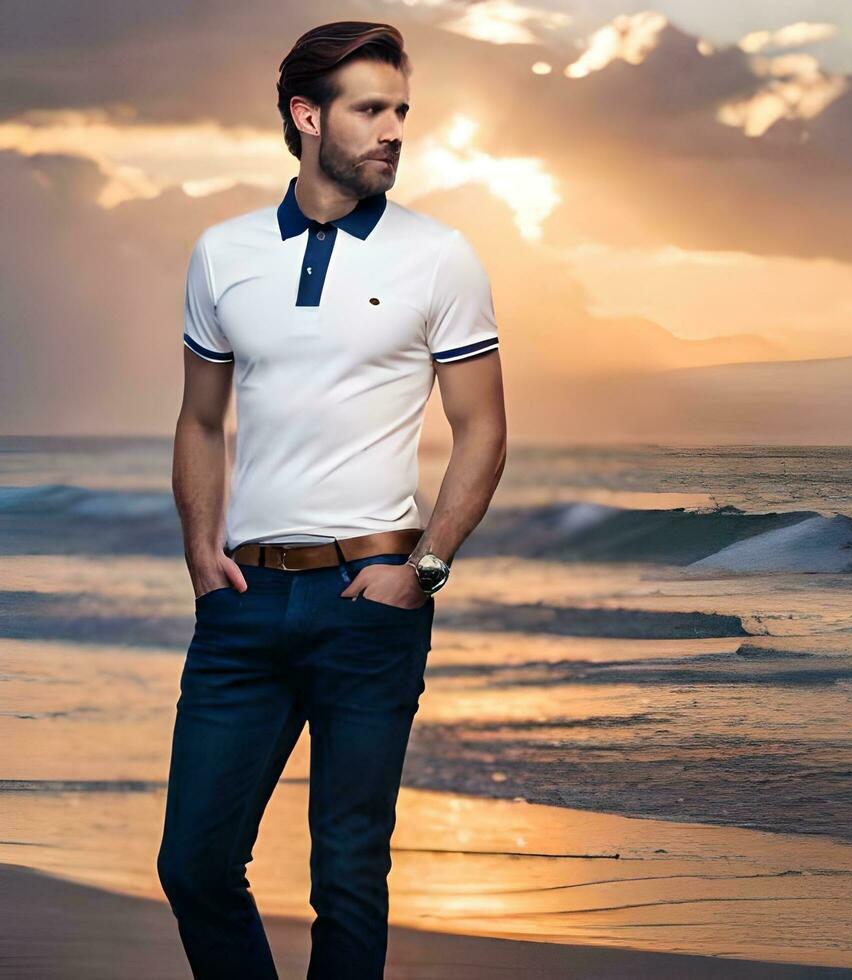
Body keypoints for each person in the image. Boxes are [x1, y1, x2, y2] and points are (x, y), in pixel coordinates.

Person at [156, 20, 507, 979]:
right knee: (192, 865)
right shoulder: (223, 253)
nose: (394, 129)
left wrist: (424, 571)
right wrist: (202, 556)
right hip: (244, 605)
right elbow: (199, 421)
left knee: (348, 876)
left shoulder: (440, 256)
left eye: (401, 110)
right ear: (307, 116)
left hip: (371, 598)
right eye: (370, 109)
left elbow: (482, 429)